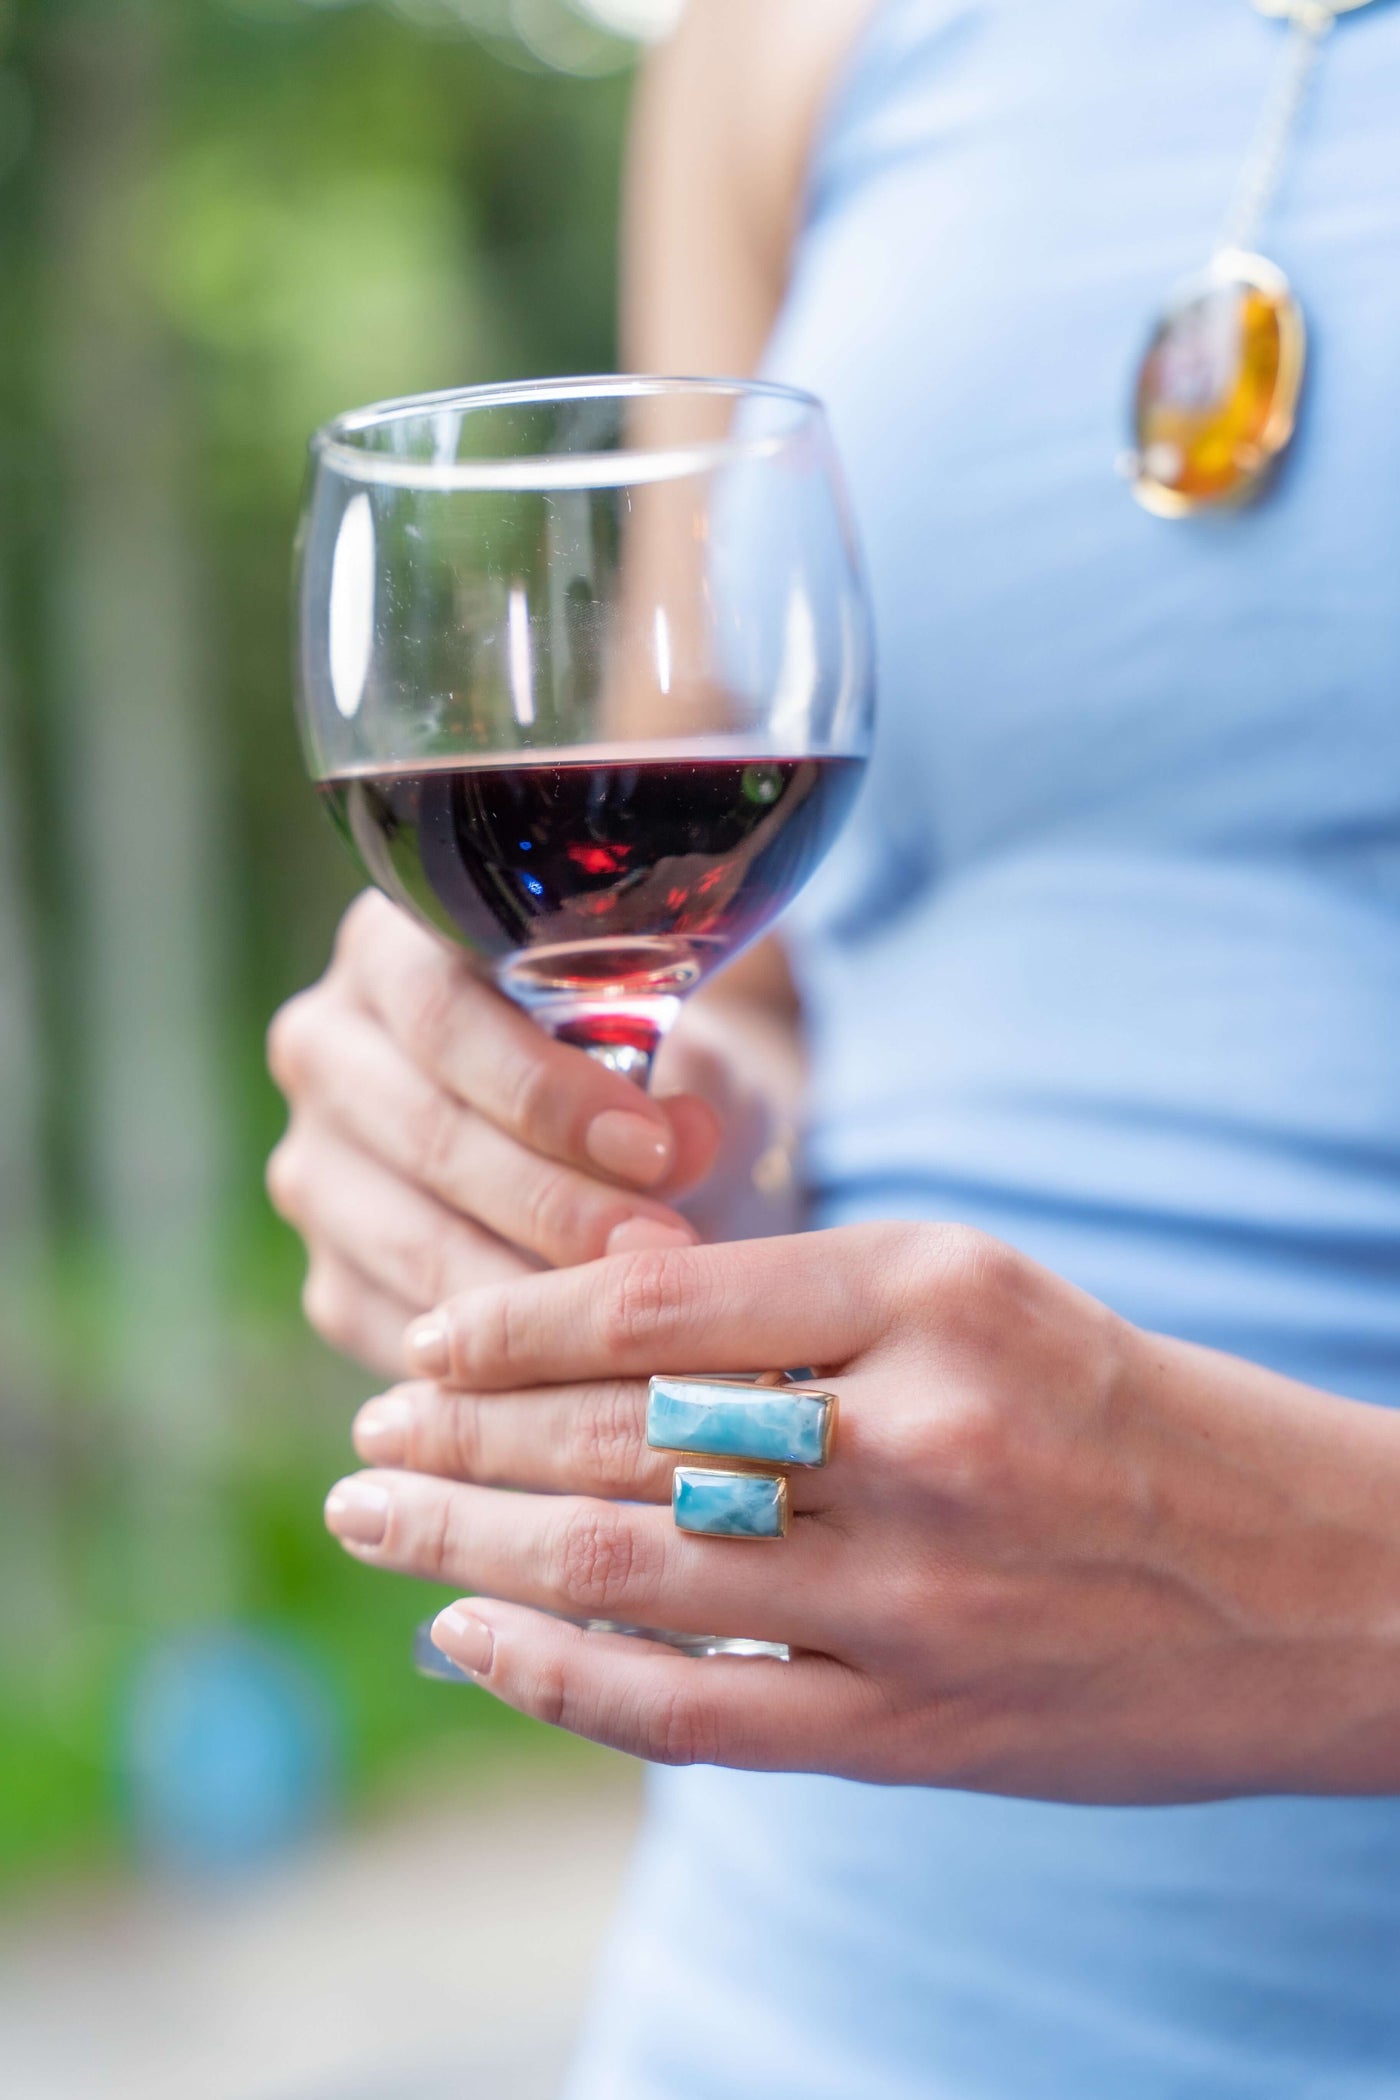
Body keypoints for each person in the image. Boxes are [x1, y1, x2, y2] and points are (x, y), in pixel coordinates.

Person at [265, 1, 1400, 2092]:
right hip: (790, 2013)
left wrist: (1352, 1599)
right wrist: (560, 1155)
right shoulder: (789, 32)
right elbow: (754, 1009)